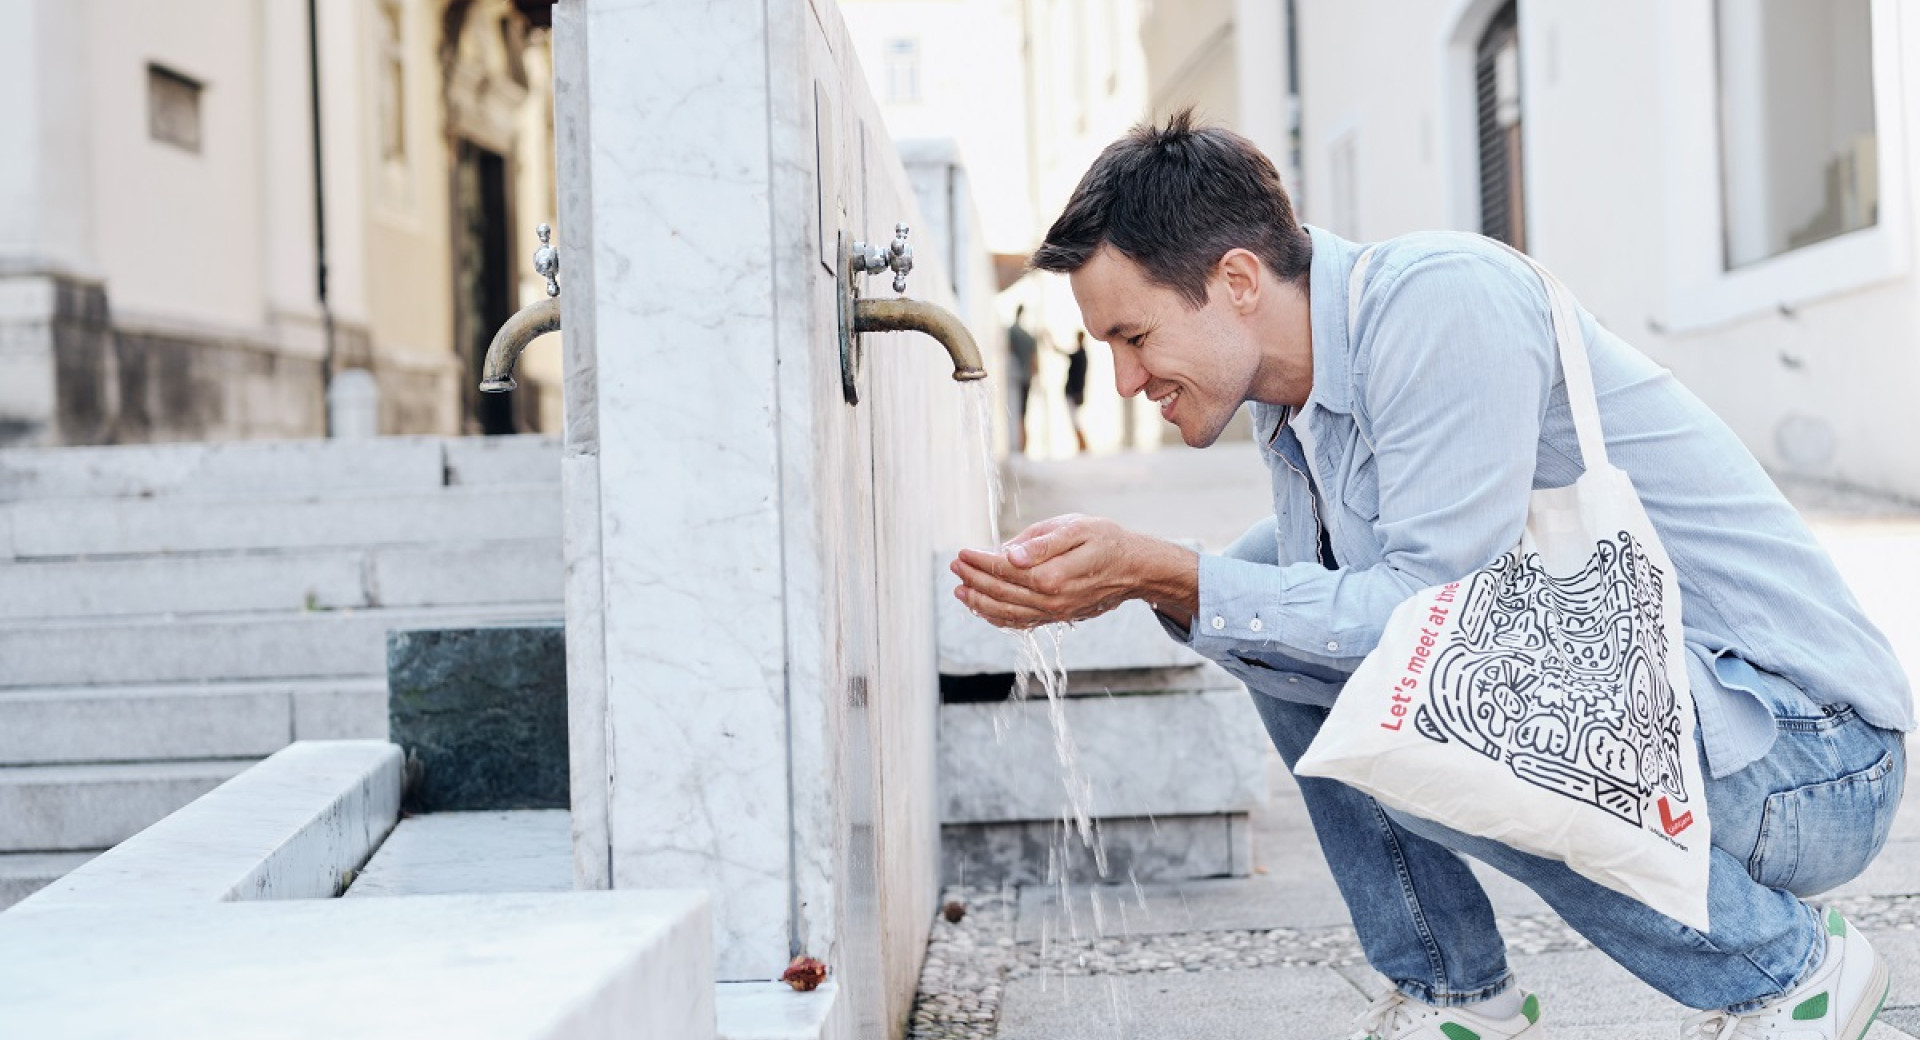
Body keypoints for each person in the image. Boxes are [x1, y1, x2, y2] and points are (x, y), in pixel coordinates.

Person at [951, 110, 1910, 1040]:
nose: (1123, 379)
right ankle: (1458, 993)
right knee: (1261, 590)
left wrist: (1164, 570)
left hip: (1810, 757)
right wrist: (1167, 581)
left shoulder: (1440, 300)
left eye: (1133, 337)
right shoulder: (1292, 398)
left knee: (1419, 708)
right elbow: (1324, 622)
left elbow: (1438, 625)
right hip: (1688, 739)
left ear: (1236, 279)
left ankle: (1789, 973)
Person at [1005, 304, 1040, 455]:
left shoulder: (1012, 331)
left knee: (1018, 412)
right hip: (1026, 378)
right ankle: (1023, 445)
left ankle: (1021, 445)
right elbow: (1035, 362)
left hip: (1015, 377)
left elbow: (1009, 350)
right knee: (1023, 413)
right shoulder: (1029, 336)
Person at [1061, 330, 1090, 452]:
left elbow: (1064, 353)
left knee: (1075, 420)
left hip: (1073, 392)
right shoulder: (1082, 355)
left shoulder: (1080, 355)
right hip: (1076, 392)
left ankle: (1083, 445)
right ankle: (1081, 445)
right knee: (1075, 419)